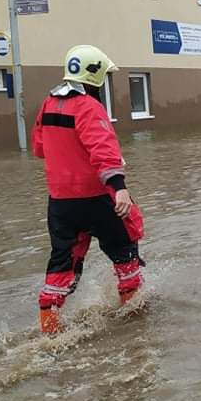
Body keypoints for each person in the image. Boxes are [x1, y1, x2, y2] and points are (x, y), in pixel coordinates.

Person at [32, 45, 145, 334]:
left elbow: (39, 149)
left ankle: (50, 329)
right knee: (125, 252)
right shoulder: (89, 107)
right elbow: (102, 148)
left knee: (63, 261)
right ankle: (135, 318)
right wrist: (119, 187)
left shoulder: (48, 105)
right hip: (97, 198)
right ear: (94, 75)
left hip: (60, 203)